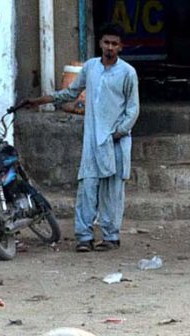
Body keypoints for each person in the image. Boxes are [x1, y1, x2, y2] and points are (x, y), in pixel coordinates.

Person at [26, 23, 139, 253]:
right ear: (100, 43)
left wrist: (119, 131)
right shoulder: (90, 68)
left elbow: (133, 108)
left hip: (115, 140)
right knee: (87, 187)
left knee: (112, 192)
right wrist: (43, 100)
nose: (109, 47)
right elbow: (70, 93)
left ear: (121, 47)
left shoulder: (128, 72)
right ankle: (84, 237)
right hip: (92, 142)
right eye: (106, 42)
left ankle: (111, 236)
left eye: (114, 44)